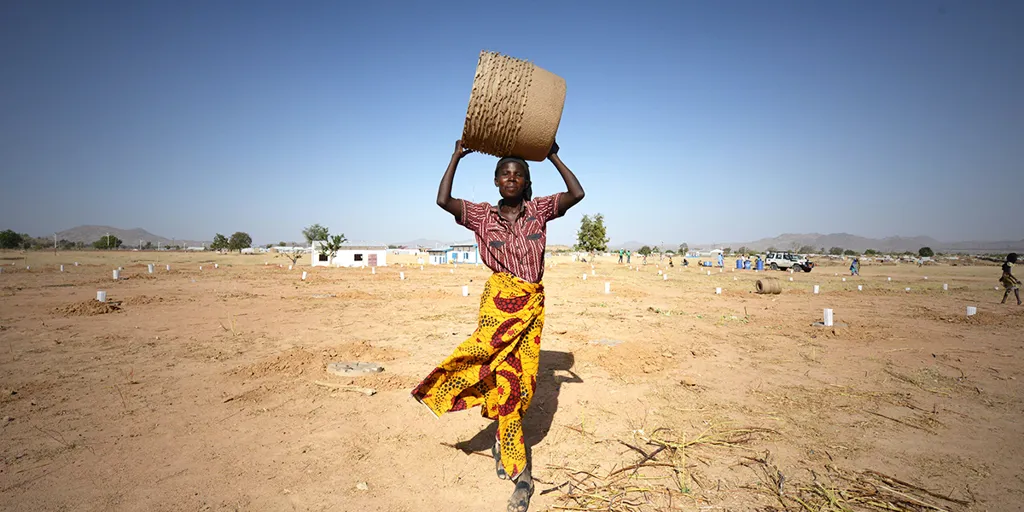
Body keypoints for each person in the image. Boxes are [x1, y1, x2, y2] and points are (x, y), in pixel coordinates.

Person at [414, 139, 585, 512]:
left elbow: (577, 192)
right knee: (484, 359)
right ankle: (516, 465)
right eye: (505, 174)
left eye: (518, 175)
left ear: (525, 182)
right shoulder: (480, 216)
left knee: (520, 382)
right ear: (495, 181)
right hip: (497, 304)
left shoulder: (538, 211)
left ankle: (503, 438)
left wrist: (552, 154)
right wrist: (456, 156)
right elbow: (443, 200)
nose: (511, 179)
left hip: (530, 307)